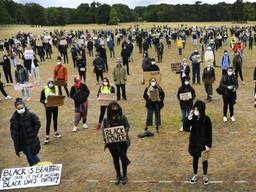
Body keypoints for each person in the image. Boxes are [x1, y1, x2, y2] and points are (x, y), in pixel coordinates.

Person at [103, 101, 131, 185]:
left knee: (123, 158)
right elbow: (104, 130)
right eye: (113, 107)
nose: (115, 109)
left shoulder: (122, 117)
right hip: (111, 144)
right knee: (115, 159)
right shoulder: (106, 119)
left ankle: (125, 175)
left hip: (122, 142)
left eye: (116, 107)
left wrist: (124, 132)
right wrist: (106, 139)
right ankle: (118, 175)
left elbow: (127, 126)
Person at [185, 100, 212, 185]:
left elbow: (209, 133)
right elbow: (186, 128)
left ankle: (205, 175)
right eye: (195, 109)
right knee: (195, 159)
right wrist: (188, 118)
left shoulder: (207, 119)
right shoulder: (193, 117)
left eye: (197, 109)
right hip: (194, 143)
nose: (196, 111)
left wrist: (208, 145)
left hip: (203, 144)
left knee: (204, 160)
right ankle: (195, 174)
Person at [10, 98, 41, 166]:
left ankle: (37, 165)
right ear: (16, 108)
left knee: (31, 154)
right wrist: (14, 137)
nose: (20, 109)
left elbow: (37, 123)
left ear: (24, 106)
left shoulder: (30, 114)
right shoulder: (14, 118)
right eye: (18, 108)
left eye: (22, 108)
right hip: (21, 141)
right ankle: (33, 166)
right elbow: (12, 129)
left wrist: (34, 133)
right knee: (28, 154)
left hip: (30, 139)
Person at [40, 80, 62, 144]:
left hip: (55, 107)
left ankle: (56, 132)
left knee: (55, 120)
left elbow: (59, 96)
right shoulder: (44, 90)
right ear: (47, 84)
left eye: (52, 83)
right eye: (49, 83)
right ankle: (47, 136)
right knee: (48, 121)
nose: (51, 84)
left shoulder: (56, 88)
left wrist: (59, 100)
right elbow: (41, 99)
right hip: (48, 108)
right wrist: (44, 101)